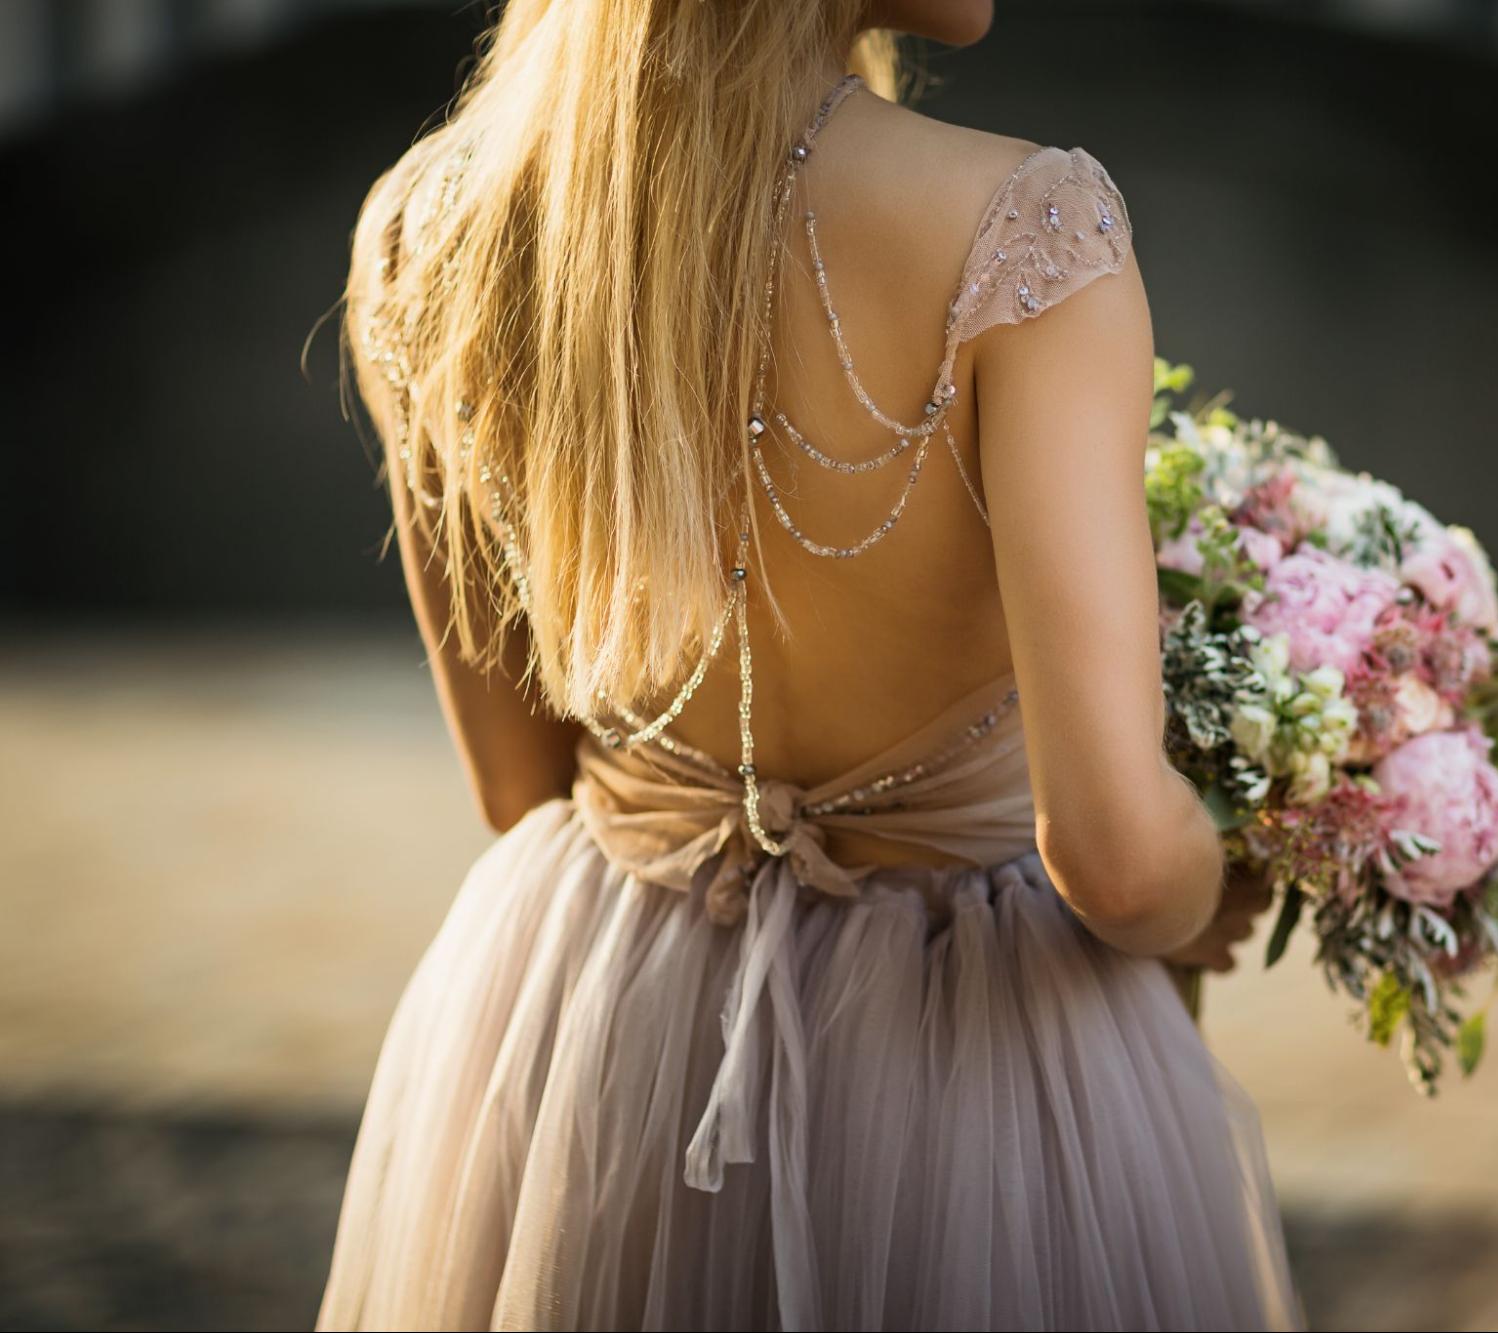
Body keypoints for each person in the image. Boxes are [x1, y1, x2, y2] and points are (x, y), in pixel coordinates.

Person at [319, 1, 1301, 1328]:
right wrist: (1228, 864)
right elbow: (1120, 859)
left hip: (606, 1057)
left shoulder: (422, 229)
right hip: (975, 1075)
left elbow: (517, 785)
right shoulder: (1027, 232)